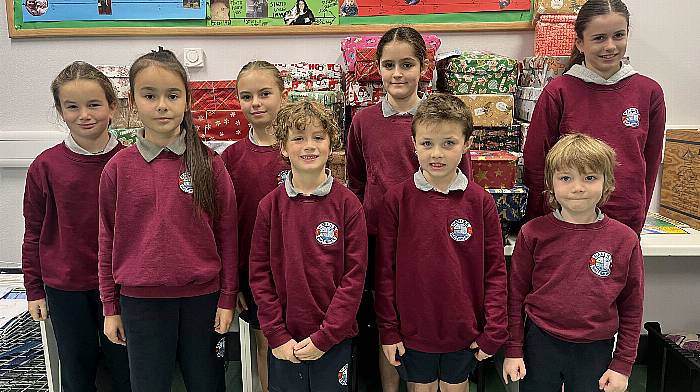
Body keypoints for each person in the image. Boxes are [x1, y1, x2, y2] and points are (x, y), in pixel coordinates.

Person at [98, 48, 238, 392]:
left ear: (187, 100)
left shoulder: (209, 163)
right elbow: (107, 239)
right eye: (150, 95)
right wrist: (110, 306)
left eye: (172, 95)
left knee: (207, 383)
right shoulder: (118, 168)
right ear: (132, 101)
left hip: (202, 300)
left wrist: (227, 297)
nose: (162, 105)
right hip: (140, 303)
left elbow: (228, 234)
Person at [345, 26, 472, 392]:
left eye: (407, 64)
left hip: (431, 235)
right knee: (388, 319)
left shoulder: (441, 121)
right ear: (378, 69)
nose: (397, 73)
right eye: (388, 65)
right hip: (379, 236)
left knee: (425, 312)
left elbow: (465, 180)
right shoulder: (364, 122)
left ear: (423, 67)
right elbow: (357, 177)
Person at [374, 94, 507, 392]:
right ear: (414, 144)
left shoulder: (480, 202)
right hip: (413, 333)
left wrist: (494, 330)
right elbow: (385, 272)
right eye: (427, 143)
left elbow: (495, 272)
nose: (437, 153)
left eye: (449, 143)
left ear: (467, 144)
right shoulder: (396, 200)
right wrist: (389, 330)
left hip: (463, 332)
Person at [22, 60, 131, 392]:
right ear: (61, 111)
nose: (85, 114)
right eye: (72, 106)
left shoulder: (130, 162)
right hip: (66, 287)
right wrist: (34, 288)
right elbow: (34, 232)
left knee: (125, 368)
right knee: (76, 367)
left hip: (121, 286)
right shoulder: (46, 166)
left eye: (94, 104)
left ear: (112, 106)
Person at [504, 134, 644, 392]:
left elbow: (632, 306)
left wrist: (622, 363)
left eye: (589, 178)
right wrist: (513, 348)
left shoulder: (624, 239)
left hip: (596, 347)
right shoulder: (532, 233)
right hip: (540, 342)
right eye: (566, 178)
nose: (577, 187)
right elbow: (515, 296)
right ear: (551, 183)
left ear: (607, 182)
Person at [249, 100, 367, 392]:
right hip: (285, 341)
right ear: (284, 148)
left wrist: (325, 337)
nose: (309, 146)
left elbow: (354, 278)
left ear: (331, 143)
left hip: (334, 341)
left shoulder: (348, 205)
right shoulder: (270, 207)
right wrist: (276, 334)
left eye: (318, 137)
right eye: (298, 138)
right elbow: (260, 274)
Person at [523, 0, 666, 235]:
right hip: (566, 218)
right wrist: (538, 222)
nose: (610, 46)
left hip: (625, 219)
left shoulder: (649, 92)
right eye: (599, 38)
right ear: (579, 42)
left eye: (618, 35)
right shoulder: (558, 92)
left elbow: (650, 162)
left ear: (627, 35)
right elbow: (537, 162)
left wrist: (639, 215)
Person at [220, 60, 290, 392]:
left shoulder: (303, 150)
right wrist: (231, 284)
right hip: (256, 274)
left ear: (283, 95)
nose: (256, 103)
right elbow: (225, 226)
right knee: (269, 344)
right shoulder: (230, 158)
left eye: (265, 94)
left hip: (302, 270)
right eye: (247, 97)